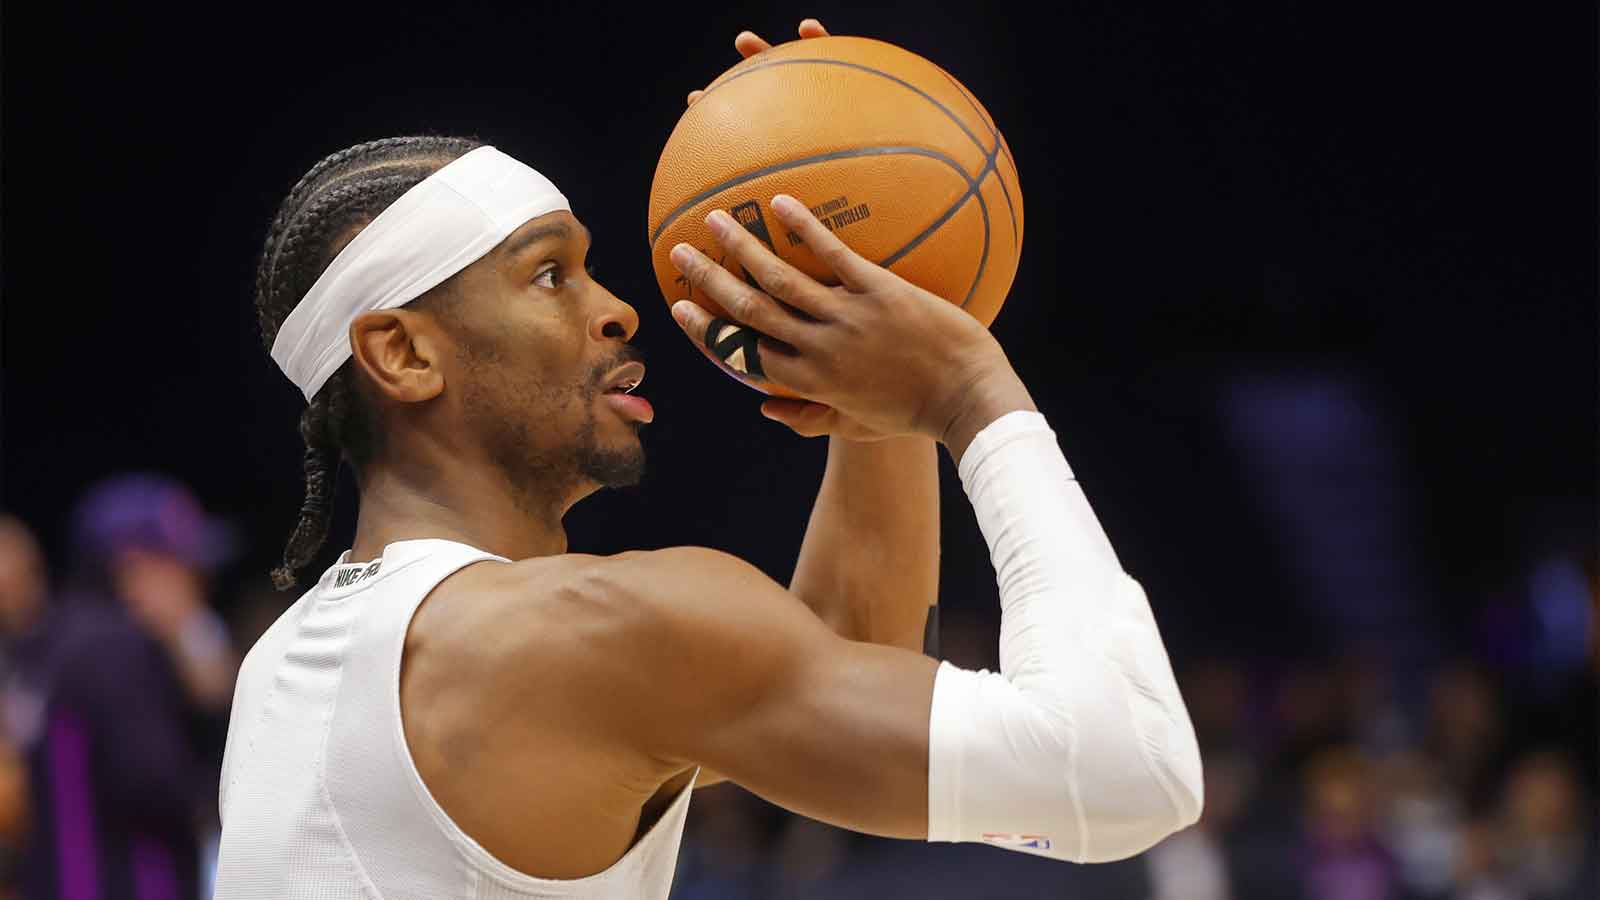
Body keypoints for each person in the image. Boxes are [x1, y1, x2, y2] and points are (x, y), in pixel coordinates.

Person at [214, 19, 1203, 899]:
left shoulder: (285, 669)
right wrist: (968, 393)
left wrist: (876, 385)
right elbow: (1128, 769)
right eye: (549, 274)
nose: (616, 307)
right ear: (404, 352)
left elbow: (846, 650)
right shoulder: (575, 634)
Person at [2, 476, 236, 900]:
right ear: (135, 566)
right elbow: (160, 787)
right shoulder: (118, 648)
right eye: (184, 562)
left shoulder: (52, 639)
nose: (200, 580)